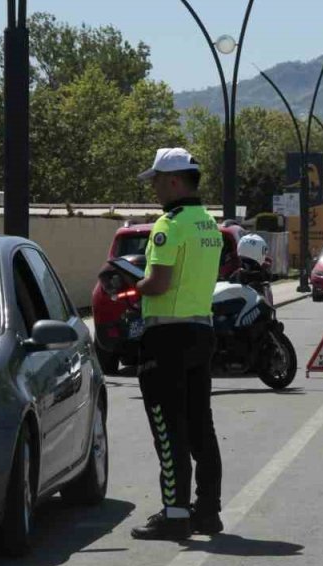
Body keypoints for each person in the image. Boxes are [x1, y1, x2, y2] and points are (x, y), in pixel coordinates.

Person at [129, 148, 225, 541]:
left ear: (173, 181)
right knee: (201, 424)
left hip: (165, 336)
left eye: (155, 180)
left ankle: (175, 514)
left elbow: (159, 282)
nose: (152, 188)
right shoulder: (208, 224)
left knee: (169, 429)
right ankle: (208, 511)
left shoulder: (169, 225)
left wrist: (133, 286)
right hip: (201, 331)